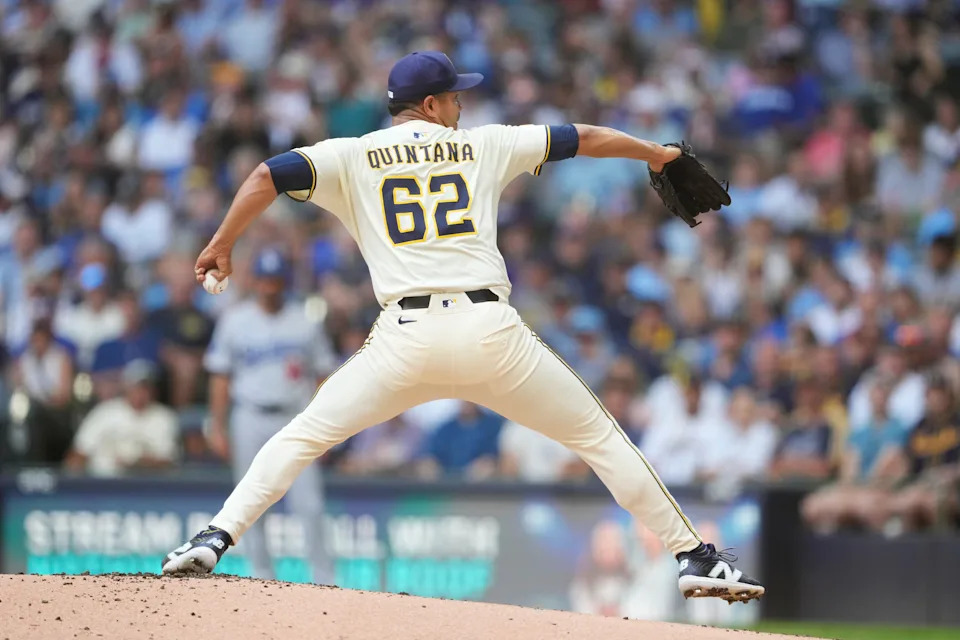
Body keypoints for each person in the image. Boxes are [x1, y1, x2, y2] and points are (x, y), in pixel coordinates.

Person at [163, 51, 763, 603]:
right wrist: (657, 154)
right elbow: (585, 137)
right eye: (453, 97)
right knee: (600, 440)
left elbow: (266, 175)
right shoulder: (483, 145)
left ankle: (215, 536)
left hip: (404, 337)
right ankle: (694, 557)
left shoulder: (349, 153)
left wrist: (221, 243)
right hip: (489, 333)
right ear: (429, 105)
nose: (460, 106)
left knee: (302, 437)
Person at [203, 248, 334, 582]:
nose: (270, 287)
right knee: (249, 504)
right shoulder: (235, 320)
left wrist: (329, 424)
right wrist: (216, 425)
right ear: (255, 281)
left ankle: (324, 579)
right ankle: (262, 578)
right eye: (264, 280)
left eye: (276, 280)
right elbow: (220, 375)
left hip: (296, 418)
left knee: (311, 506)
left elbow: (324, 375)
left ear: (285, 282)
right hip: (249, 416)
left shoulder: (305, 321)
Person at [64, 359, 178, 477]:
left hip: (147, 487)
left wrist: (135, 463)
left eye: (146, 388)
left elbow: (168, 462)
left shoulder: (165, 417)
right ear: (126, 387)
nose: (141, 393)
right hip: (101, 484)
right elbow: (79, 452)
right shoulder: (105, 411)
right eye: (137, 387)